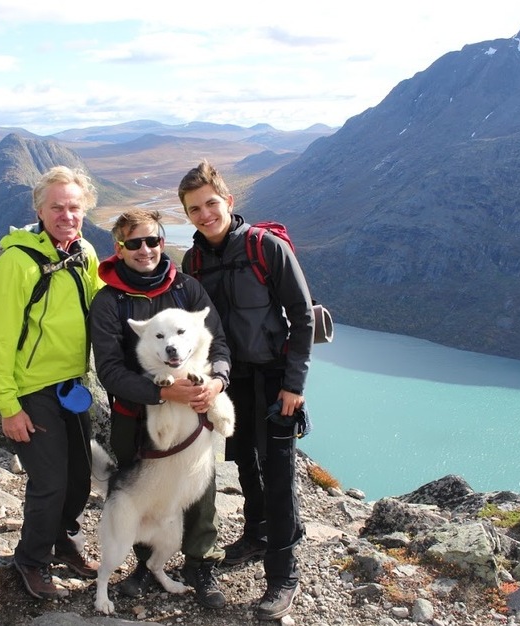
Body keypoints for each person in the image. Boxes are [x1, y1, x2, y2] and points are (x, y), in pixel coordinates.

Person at [177, 160, 315, 621]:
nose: (204, 214)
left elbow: (303, 315)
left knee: (278, 475)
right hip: (229, 382)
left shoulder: (265, 247)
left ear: (229, 202)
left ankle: (283, 574)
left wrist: (294, 385)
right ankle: (256, 534)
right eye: (194, 209)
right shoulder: (193, 262)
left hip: (275, 378)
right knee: (244, 463)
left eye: (211, 204)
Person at [89, 209, 231, 609]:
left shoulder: (187, 289)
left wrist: (218, 380)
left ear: (161, 241)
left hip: (196, 412)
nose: (145, 250)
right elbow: (110, 370)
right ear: (120, 247)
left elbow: (217, 343)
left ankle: (201, 563)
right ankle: (143, 563)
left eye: (152, 240)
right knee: (140, 490)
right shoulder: (109, 302)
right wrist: (163, 394)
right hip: (135, 416)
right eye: (134, 243)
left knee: (198, 487)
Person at [0, 165, 104, 600]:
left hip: (71, 384)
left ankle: (63, 541)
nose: (67, 215)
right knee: (50, 482)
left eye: (74, 207)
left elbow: (101, 301)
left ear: (84, 209)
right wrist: (8, 406)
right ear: (39, 209)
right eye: (57, 207)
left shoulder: (83, 251)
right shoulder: (17, 261)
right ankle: (31, 560)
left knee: (81, 478)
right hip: (31, 390)